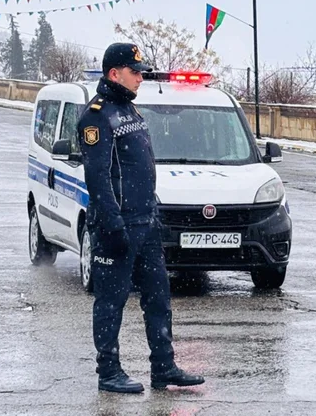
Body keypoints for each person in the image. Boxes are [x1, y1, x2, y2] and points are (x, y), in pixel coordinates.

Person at [77, 42, 204, 393]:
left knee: (158, 297)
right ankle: (109, 372)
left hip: (146, 223)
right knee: (111, 301)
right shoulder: (97, 116)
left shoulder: (131, 112)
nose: (140, 78)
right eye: (135, 72)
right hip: (116, 226)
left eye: (142, 73)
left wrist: (152, 214)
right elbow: (98, 176)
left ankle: (164, 367)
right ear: (114, 73)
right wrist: (113, 222)